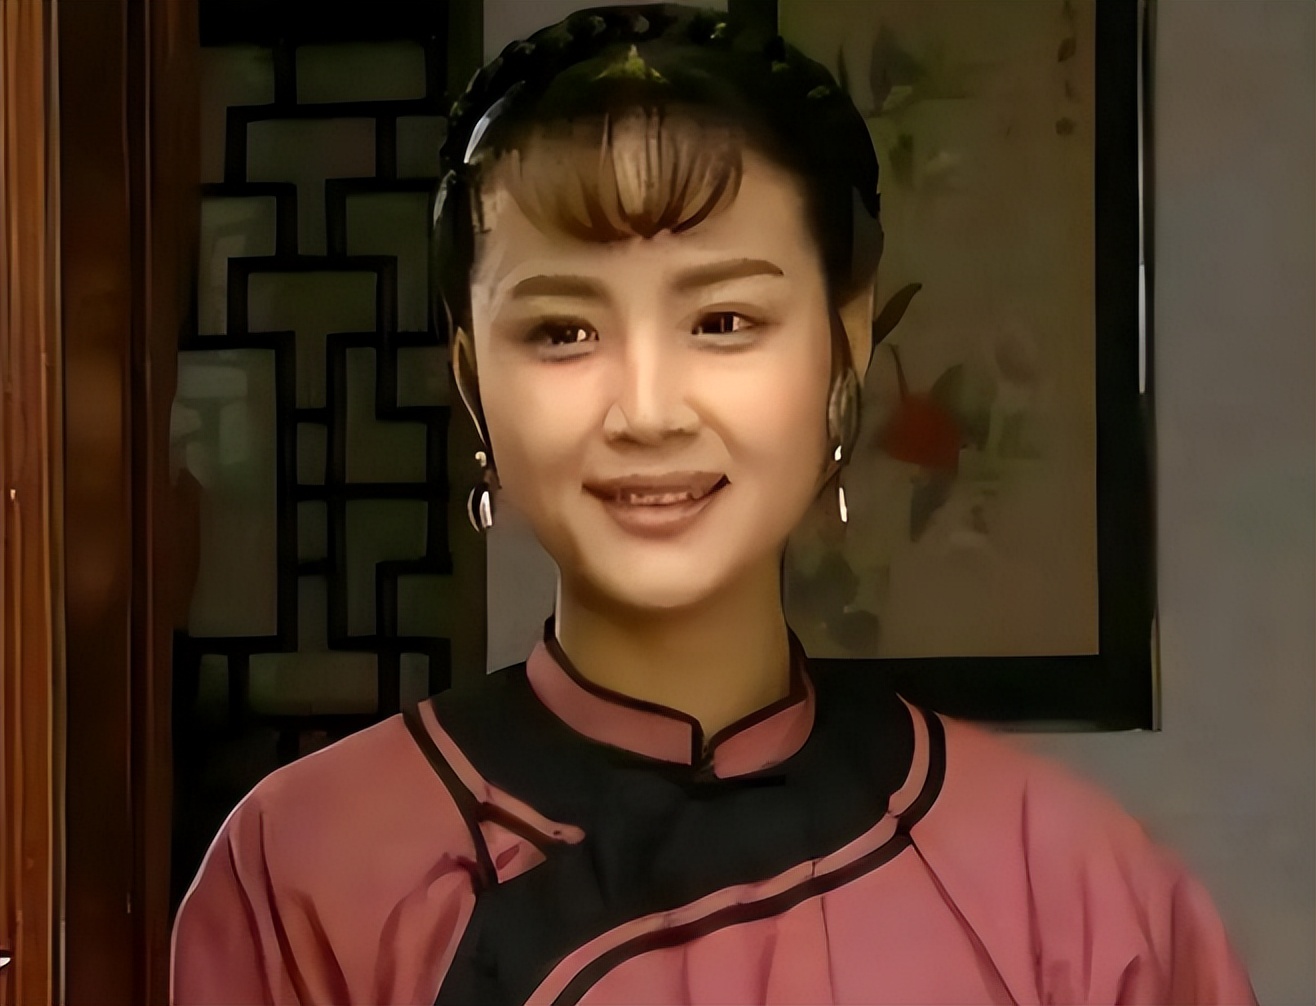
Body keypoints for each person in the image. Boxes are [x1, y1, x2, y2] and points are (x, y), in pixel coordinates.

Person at [170, 6, 1257, 1004]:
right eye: (562, 332)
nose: (647, 410)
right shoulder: (305, 870)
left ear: (844, 344)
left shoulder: (1073, 890)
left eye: (724, 323)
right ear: (471, 378)